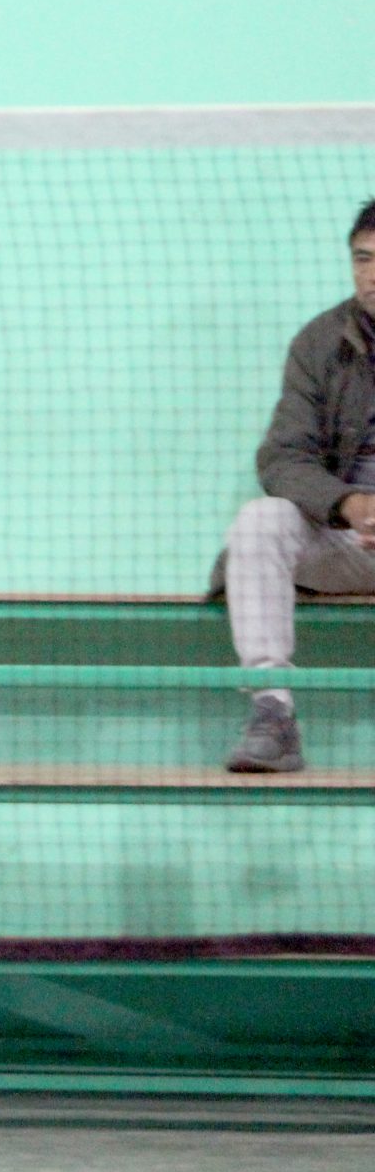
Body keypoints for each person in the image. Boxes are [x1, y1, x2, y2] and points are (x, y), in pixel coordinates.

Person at [218, 198, 375, 773]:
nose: (372, 274)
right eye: (363, 258)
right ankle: (273, 715)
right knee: (259, 521)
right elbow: (283, 456)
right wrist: (347, 504)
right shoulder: (320, 342)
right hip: (347, 542)